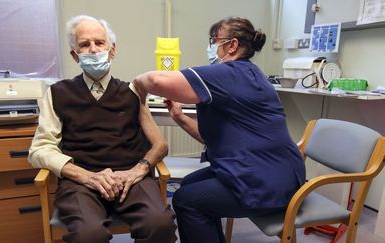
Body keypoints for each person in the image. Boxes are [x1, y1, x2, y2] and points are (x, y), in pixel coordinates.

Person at [133, 17, 306, 243]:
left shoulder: (230, 74)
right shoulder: (250, 74)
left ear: (232, 45)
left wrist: (137, 83)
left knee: (186, 200)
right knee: (190, 185)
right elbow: (213, 139)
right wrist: (179, 117)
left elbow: (156, 80)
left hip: (268, 182)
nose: (211, 46)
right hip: (277, 170)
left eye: (214, 40)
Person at [28, 15, 177, 243]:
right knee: (89, 235)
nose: (93, 49)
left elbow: (160, 144)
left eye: (100, 42)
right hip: (81, 181)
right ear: (74, 55)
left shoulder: (133, 92)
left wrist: (138, 170)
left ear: (112, 50)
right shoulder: (57, 93)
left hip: (130, 177)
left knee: (160, 223)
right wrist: (87, 177)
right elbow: (39, 150)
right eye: (84, 45)